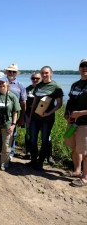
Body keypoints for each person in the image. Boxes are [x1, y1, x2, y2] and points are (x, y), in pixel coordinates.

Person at [28, 66, 63, 171]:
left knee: (44, 141)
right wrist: (29, 117)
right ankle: (33, 161)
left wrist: (48, 113)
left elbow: (59, 104)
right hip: (35, 117)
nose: (44, 75)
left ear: (51, 73)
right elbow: (34, 102)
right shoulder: (38, 86)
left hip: (47, 119)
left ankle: (40, 162)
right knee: (33, 140)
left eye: (46, 73)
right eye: (42, 73)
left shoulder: (56, 86)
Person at [0, 76, 21, 171]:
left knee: (6, 145)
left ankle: (4, 163)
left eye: (3, 83)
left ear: (7, 83)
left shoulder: (12, 96)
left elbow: (15, 112)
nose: (1, 85)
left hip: (7, 125)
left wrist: (13, 125)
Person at [64, 59, 87, 187]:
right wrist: (66, 113)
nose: (85, 68)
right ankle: (77, 171)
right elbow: (70, 101)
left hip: (85, 123)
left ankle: (85, 178)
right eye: (82, 66)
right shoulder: (75, 84)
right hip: (73, 123)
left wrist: (80, 113)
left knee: (85, 151)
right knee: (74, 147)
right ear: (79, 68)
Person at [4, 64, 27, 159]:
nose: (11, 73)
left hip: (13, 114)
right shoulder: (1, 82)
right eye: (9, 71)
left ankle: (11, 154)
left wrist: (22, 118)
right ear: (7, 72)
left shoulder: (20, 86)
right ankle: (1, 152)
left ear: (16, 73)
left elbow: (23, 103)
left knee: (12, 134)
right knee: (1, 133)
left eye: (14, 72)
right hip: (0, 114)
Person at [24, 72, 41, 158]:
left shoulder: (43, 88)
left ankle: (48, 156)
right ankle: (28, 152)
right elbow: (24, 102)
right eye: (33, 78)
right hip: (28, 115)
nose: (35, 80)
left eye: (37, 78)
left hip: (40, 115)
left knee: (46, 136)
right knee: (28, 133)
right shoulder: (27, 89)